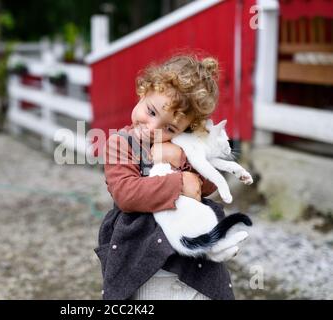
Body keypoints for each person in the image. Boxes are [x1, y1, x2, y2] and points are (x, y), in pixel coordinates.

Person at [95, 54, 248, 300]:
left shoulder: (181, 146)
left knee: (203, 288)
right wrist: (179, 183)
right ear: (143, 92)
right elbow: (125, 194)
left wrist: (181, 158)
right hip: (143, 251)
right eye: (151, 111)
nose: (154, 128)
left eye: (170, 128)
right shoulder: (120, 144)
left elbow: (206, 187)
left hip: (189, 255)